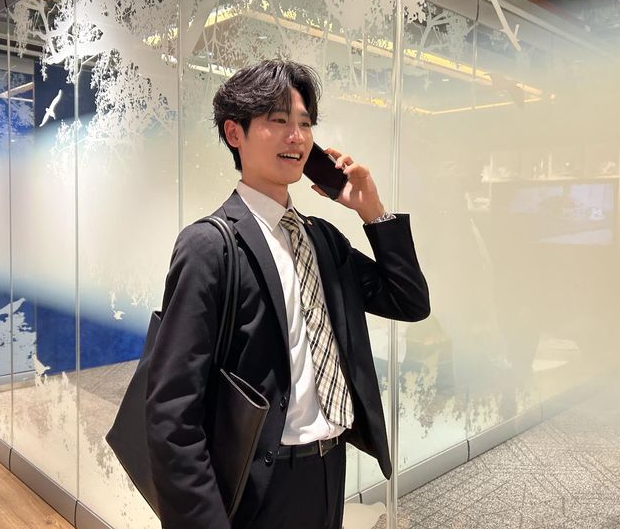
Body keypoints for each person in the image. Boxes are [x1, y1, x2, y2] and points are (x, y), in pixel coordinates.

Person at [145, 60, 430, 529]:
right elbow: (171, 412)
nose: (296, 137)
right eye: (278, 121)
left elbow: (409, 301)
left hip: (329, 467)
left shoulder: (322, 239)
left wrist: (372, 211)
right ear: (234, 133)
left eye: (305, 124)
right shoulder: (210, 247)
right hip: (259, 484)